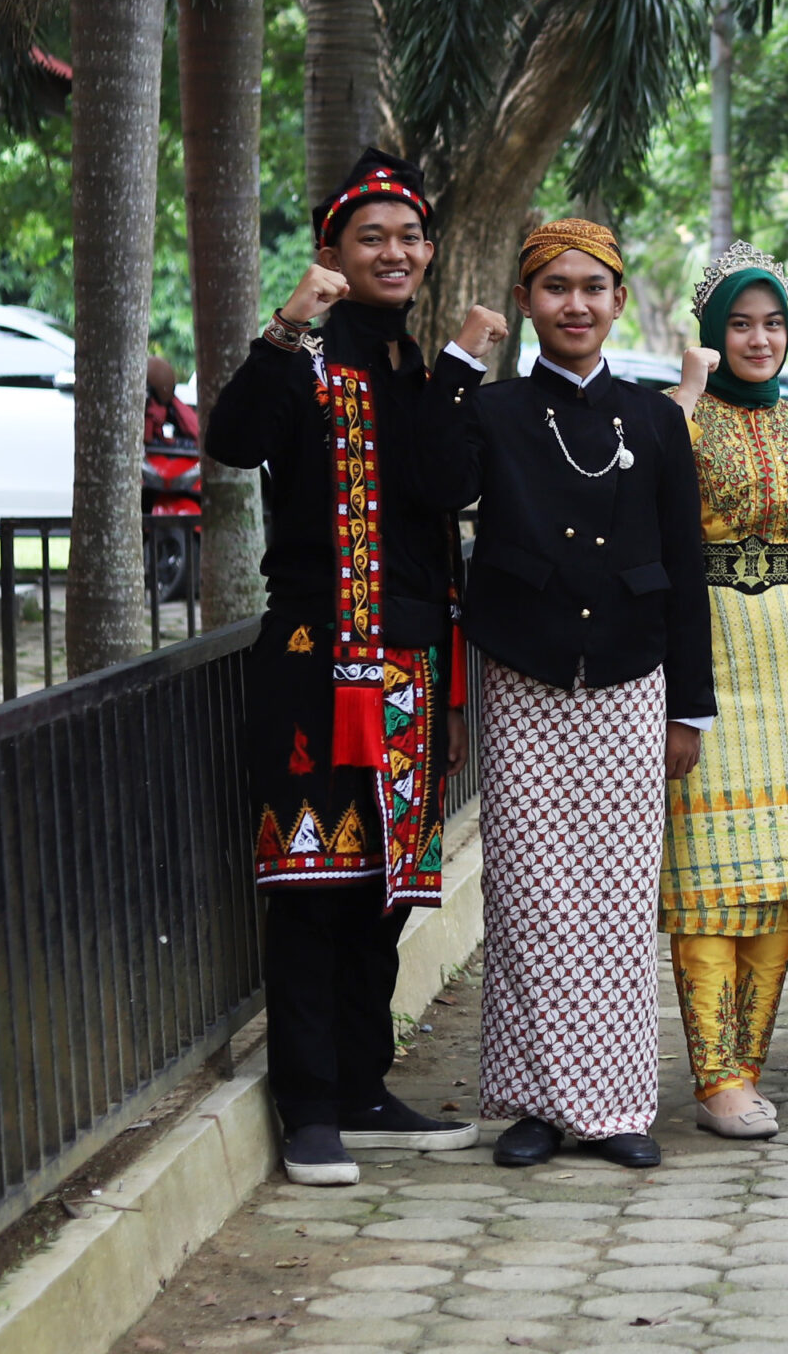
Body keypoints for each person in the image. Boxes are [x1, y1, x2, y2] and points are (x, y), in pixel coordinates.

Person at [203, 148, 478, 1186]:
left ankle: (362, 1087)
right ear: (334, 250)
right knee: (315, 882)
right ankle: (308, 1105)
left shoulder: (419, 367)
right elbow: (233, 440)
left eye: (409, 236)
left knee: (386, 893)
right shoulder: (307, 358)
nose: (393, 251)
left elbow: (446, 489)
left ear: (428, 251)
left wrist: (460, 373)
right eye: (372, 237)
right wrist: (286, 324)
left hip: (413, 662)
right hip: (317, 659)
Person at [423, 219, 716, 1170]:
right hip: (523, 673)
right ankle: (536, 1106)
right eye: (556, 288)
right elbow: (436, 484)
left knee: (618, 903)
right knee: (530, 896)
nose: (576, 304)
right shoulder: (494, 408)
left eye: (594, 287)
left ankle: (617, 1106)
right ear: (526, 301)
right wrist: (459, 361)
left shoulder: (655, 419)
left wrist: (689, 706)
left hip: (631, 678)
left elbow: (685, 564)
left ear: (620, 301)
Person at [657, 243, 788, 1140]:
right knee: (708, 878)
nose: (758, 339)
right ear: (711, 332)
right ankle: (714, 1076)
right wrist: (685, 393)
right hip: (706, 656)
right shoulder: (675, 421)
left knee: (779, 873)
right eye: (739, 324)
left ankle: (747, 1067)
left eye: (772, 323)